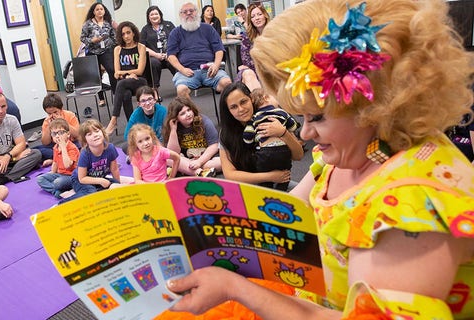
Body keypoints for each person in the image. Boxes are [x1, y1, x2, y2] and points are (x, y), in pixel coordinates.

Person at [165, 0, 474, 318]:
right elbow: (278, 220)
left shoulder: (411, 204)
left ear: (373, 106)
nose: (306, 132)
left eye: (316, 117)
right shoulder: (348, 154)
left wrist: (235, 288)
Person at [219, 82, 302, 190]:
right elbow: (230, 174)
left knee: (309, 199)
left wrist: (283, 133)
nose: (241, 109)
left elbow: (298, 155)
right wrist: (269, 177)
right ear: (228, 111)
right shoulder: (226, 133)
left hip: (279, 181)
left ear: (251, 99)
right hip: (249, 186)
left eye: (243, 102)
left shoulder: (272, 117)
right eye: (234, 107)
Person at [167, 2, 232, 100]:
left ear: (197, 13)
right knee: (181, 90)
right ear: (180, 15)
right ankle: (192, 115)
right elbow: (171, 56)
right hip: (187, 72)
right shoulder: (175, 33)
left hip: (209, 69)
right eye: (185, 12)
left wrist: (216, 64)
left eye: (191, 11)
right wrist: (182, 69)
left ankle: (227, 114)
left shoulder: (208, 29)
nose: (188, 13)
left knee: (227, 84)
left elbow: (219, 49)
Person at [61, 119, 123, 203]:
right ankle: (63, 204)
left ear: (103, 133)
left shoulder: (110, 148)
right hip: (80, 180)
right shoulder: (85, 154)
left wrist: (118, 185)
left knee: (115, 185)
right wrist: (100, 181)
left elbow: (114, 169)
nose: (95, 135)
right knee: (91, 192)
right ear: (85, 140)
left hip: (98, 178)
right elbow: (82, 178)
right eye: (89, 134)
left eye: (97, 131)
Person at [105, 21, 148, 134]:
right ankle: (133, 126)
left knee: (121, 84)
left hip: (139, 81)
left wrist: (124, 73)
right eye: (123, 34)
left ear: (134, 33)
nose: (126, 36)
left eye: (128, 33)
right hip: (125, 82)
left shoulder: (141, 47)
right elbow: (116, 73)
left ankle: (114, 120)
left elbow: (140, 71)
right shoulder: (117, 49)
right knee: (125, 94)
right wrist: (128, 75)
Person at [162, 96, 221, 177]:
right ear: (176, 118)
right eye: (182, 114)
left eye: (189, 110)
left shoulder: (204, 121)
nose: (188, 114)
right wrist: (173, 130)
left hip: (206, 158)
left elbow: (214, 145)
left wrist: (199, 162)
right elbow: (173, 153)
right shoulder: (173, 127)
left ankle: (184, 169)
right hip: (187, 159)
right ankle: (200, 172)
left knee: (221, 162)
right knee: (168, 159)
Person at [80, 2, 117, 108]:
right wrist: (92, 40)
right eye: (97, 9)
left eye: (101, 9)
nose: (100, 11)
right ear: (93, 12)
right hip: (93, 51)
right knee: (97, 75)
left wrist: (115, 47)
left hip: (107, 51)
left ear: (104, 11)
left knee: (112, 70)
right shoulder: (88, 23)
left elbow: (113, 36)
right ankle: (101, 98)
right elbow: (82, 38)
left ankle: (115, 94)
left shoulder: (108, 22)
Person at [36, 119, 80, 198]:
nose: (57, 136)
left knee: (57, 182)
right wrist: (52, 173)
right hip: (60, 174)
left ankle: (64, 189)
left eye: (60, 133)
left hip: (72, 176)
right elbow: (55, 162)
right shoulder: (56, 147)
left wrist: (63, 147)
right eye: (54, 134)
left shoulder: (72, 148)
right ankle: (57, 192)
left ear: (68, 134)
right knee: (40, 179)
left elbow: (68, 166)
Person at [140, 5, 176, 100]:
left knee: (173, 60)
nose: (154, 16)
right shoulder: (145, 29)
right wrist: (156, 55)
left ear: (160, 15)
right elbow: (142, 47)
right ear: (148, 17)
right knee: (153, 63)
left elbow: (177, 40)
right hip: (154, 56)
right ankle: (155, 91)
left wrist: (169, 53)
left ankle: (182, 85)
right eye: (152, 14)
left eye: (156, 13)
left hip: (169, 54)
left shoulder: (169, 25)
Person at [33, 93, 80, 167]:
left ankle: (56, 160)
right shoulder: (47, 121)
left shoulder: (70, 115)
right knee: (37, 150)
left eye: (55, 112)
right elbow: (45, 143)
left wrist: (63, 121)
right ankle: (58, 159)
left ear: (61, 109)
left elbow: (77, 135)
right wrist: (49, 127)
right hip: (55, 146)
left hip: (71, 144)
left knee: (82, 145)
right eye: (49, 113)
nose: (53, 115)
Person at [236, 3, 271, 91]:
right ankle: (261, 101)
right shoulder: (246, 36)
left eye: (259, 14)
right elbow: (246, 61)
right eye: (253, 16)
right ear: (250, 20)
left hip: (270, 69)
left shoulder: (274, 34)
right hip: (253, 70)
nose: (257, 18)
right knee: (248, 73)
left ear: (265, 16)